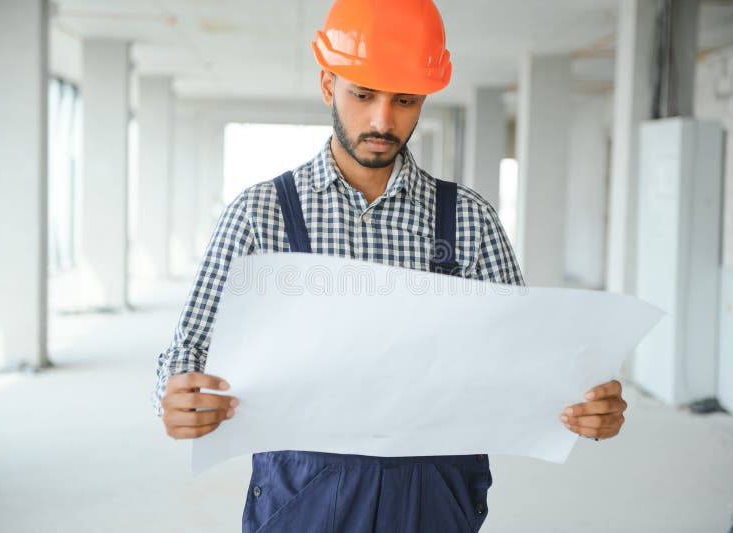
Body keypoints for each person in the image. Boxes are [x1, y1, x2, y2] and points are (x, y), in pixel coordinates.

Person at [152, 0, 628, 531]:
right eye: (363, 94)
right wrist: (176, 394)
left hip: (434, 492)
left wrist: (584, 401)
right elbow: (190, 347)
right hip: (301, 489)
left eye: (404, 99)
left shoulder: (469, 221)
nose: (382, 120)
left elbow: (528, 363)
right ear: (328, 83)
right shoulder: (261, 215)